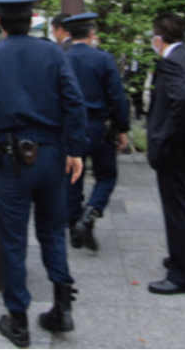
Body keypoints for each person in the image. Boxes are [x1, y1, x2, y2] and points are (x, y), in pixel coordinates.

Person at [0, 0, 87, 347]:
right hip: (51, 155)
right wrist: (75, 149)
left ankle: (19, 321)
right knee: (52, 231)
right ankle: (62, 308)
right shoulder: (52, 52)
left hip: (11, 159)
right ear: (31, 20)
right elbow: (73, 101)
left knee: (14, 241)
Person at [146, 12, 185, 295]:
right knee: (183, 207)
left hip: (178, 151)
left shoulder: (171, 62)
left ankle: (181, 276)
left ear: (159, 39)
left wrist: (168, 138)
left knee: (179, 212)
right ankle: (178, 257)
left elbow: (182, 102)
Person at [61, 13, 129, 252]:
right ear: (91, 34)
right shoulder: (104, 59)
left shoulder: (62, 59)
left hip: (69, 127)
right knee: (107, 175)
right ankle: (90, 214)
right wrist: (123, 128)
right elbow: (117, 97)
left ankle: (74, 228)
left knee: (72, 176)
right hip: (98, 125)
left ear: (69, 34)